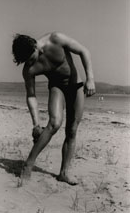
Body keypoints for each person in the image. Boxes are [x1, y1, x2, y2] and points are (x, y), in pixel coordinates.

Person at [12, 32, 95, 185]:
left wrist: (90, 79)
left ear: (36, 46)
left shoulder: (55, 39)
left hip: (75, 85)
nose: (30, 62)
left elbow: (84, 51)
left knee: (72, 130)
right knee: (54, 123)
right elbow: (31, 95)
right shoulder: (28, 69)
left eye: (31, 58)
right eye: (26, 61)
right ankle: (28, 165)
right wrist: (36, 124)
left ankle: (64, 173)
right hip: (57, 87)